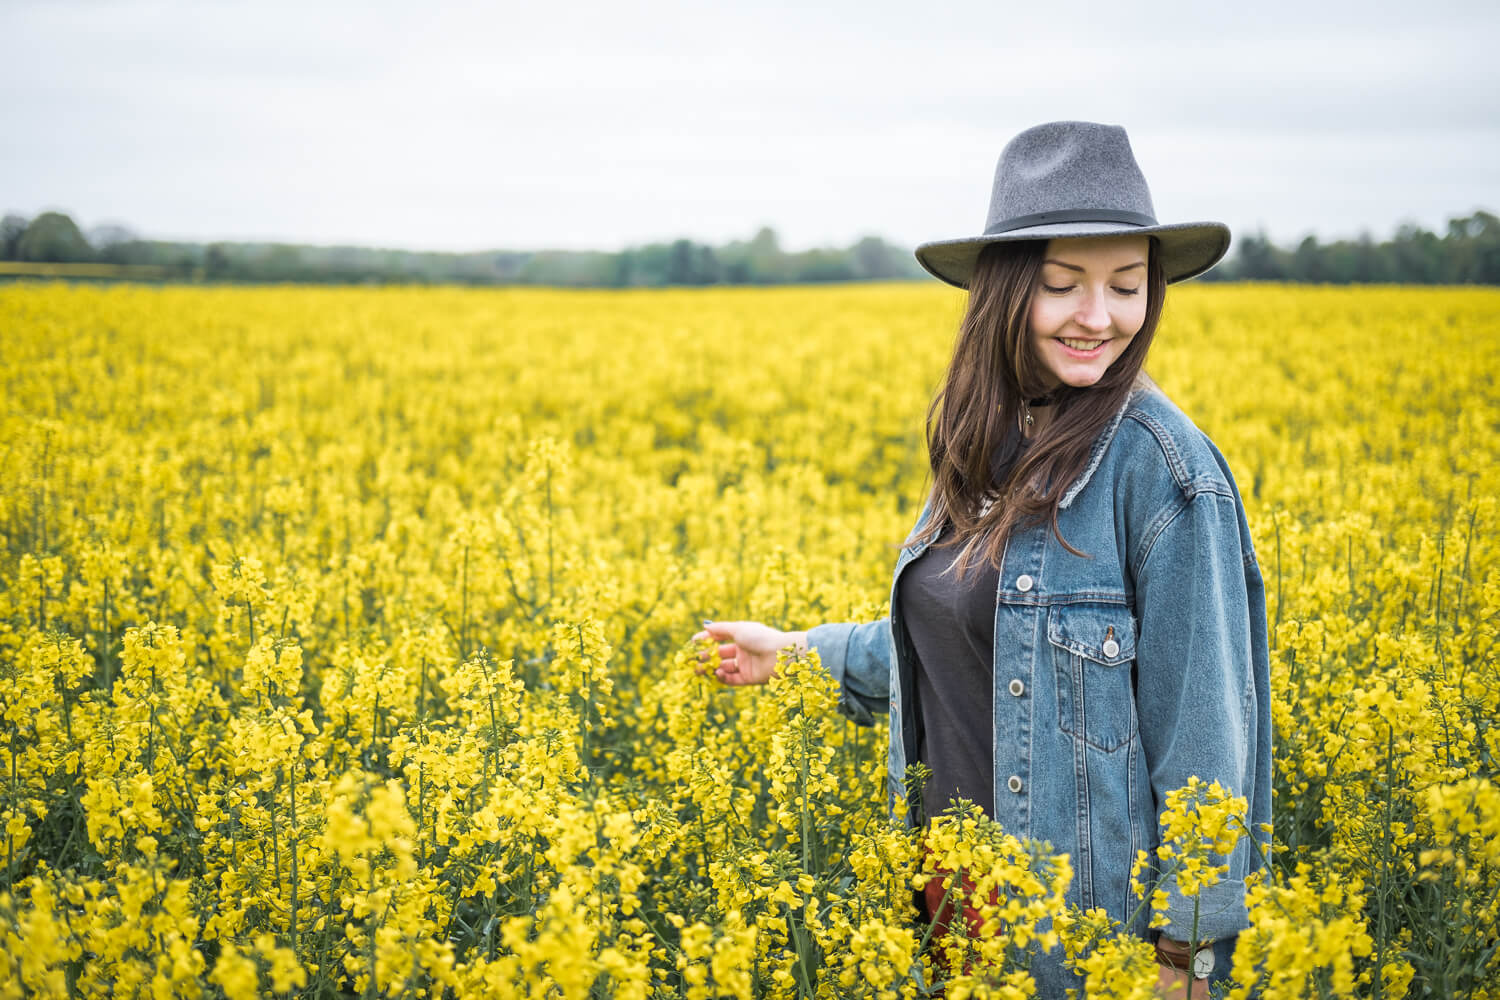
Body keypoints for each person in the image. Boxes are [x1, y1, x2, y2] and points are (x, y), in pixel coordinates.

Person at [695, 121, 1271, 998]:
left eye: (1127, 285)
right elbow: (980, 646)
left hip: (1077, 943)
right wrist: (799, 654)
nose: (1100, 317)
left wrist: (1185, 959)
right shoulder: (989, 440)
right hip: (948, 911)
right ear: (1004, 294)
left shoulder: (1165, 471)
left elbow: (1207, 745)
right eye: (1063, 286)